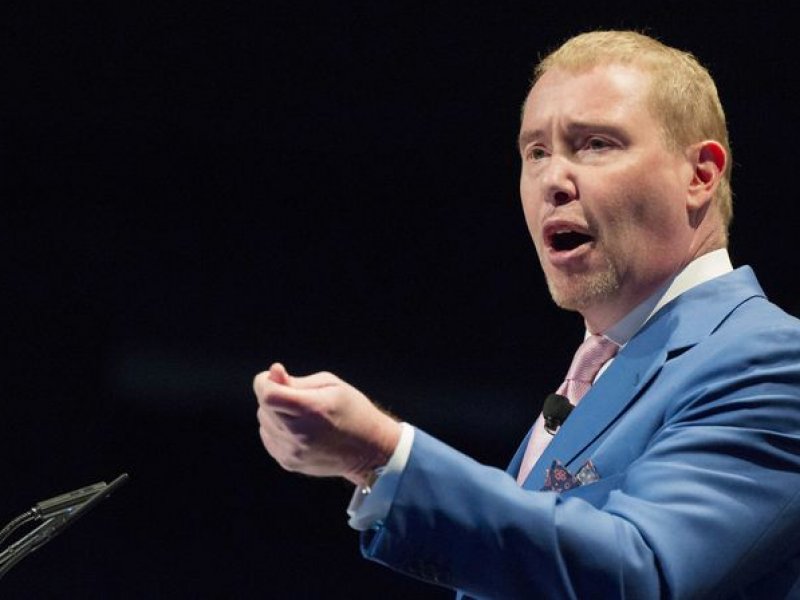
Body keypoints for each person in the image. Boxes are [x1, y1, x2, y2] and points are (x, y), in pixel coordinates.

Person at [253, 30, 800, 599]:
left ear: (700, 175)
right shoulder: (597, 374)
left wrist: (381, 455)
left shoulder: (772, 362)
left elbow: (642, 575)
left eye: (595, 144)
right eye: (536, 152)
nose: (553, 182)